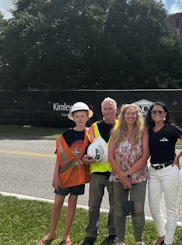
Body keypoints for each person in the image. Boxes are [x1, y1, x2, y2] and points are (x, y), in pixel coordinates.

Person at [38, 102, 93, 245]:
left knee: (72, 204)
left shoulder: (91, 135)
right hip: (64, 176)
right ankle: (52, 232)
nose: (80, 119)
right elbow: (59, 158)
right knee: (57, 204)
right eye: (77, 116)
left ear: (87, 117)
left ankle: (65, 235)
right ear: (73, 118)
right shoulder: (67, 135)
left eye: (83, 116)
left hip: (79, 177)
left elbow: (93, 154)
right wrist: (55, 175)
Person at [145, 102, 182, 245]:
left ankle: (168, 242)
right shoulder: (148, 130)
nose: (156, 114)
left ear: (165, 114)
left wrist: (179, 156)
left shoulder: (171, 128)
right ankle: (161, 236)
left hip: (170, 171)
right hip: (153, 171)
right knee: (154, 206)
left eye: (160, 112)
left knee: (171, 209)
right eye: (154, 112)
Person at [108, 104, 149, 245]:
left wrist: (129, 175)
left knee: (137, 208)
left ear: (138, 116)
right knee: (120, 209)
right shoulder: (116, 132)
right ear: (123, 116)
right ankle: (121, 240)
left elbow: (145, 156)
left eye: (133, 114)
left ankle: (139, 240)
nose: (130, 116)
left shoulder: (143, 132)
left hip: (138, 176)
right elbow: (110, 157)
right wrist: (123, 176)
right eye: (128, 114)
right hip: (118, 176)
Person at [82, 97, 119, 245]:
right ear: (101, 110)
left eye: (111, 108)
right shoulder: (93, 128)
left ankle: (113, 233)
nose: (108, 111)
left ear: (116, 110)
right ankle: (91, 234)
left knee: (115, 206)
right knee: (93, 206)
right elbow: (86, 151)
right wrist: (85, 159)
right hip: (97, 173)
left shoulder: (122, 127)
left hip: (115, 174)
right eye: (105, 108)